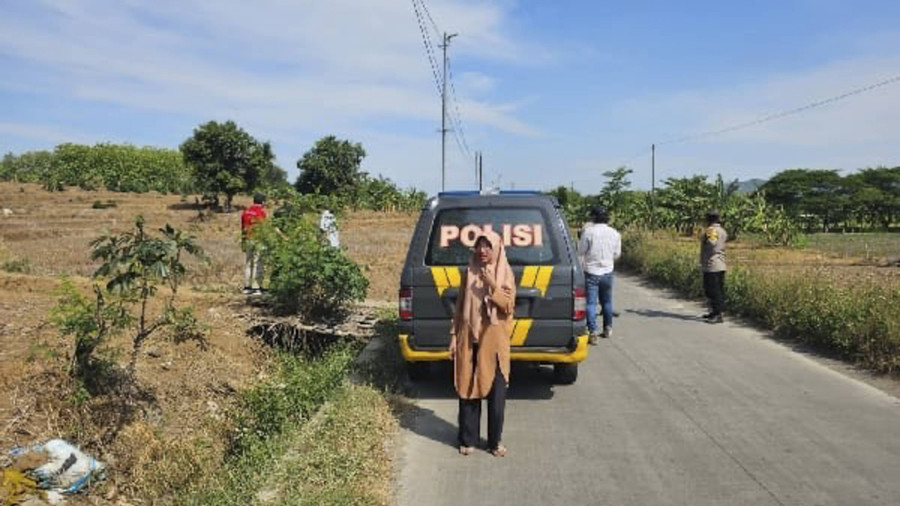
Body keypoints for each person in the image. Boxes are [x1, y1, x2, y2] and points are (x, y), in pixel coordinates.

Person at [449, 231, 516, 457]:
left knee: (496, 395)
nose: (483, 251)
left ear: (497, 248)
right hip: (469, 339)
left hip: (494, 344)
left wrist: (491, 285)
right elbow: (459, 308)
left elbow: (507, 306)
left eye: (488, 246)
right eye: (479, 246)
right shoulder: (469, 272)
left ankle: (494, 442)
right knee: (468, 389)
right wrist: (453, 336)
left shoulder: (505, 273)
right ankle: (468, 439)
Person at [578, 205, 621, 343]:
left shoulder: (588, 232)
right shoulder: (615, 233)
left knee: (590, 303)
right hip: (607, 271)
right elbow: (617, 254)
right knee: (607, 302)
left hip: (591, 272)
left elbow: (581, 251)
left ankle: (593, 331)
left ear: (593, 217)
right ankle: (608, 328)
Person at [700, 209, 728, 323]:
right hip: (720, 264)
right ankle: (714, 312)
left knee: (712, 290)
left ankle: (718, 314)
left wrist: (707, 238)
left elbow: (712, 243)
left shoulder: (711, 230)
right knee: (716, 290)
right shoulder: (721, 230)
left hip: (712, 265)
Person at [241, 193, 267, 295]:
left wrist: (243, 241)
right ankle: (257, 288)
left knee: (248, 264)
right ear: (263, 202)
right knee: (258, 263)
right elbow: (263, 228)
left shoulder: (245, 212)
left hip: (247, 239)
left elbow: (243, 228)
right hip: (258, 240)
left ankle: (247, 287)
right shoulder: (261, 212)